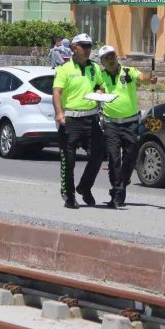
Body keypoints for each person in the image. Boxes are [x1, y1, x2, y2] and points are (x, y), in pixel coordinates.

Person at [97, 45, 157, 208]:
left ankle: (122, 182)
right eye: (107, 58)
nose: (110, 60)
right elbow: (99, 89)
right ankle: (118, 191)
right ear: (102, 62)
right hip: (111, 124)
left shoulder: (128, 72)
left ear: (116, 57)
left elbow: (142, 77)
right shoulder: (101, 75)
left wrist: (149, 79)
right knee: (114, 159)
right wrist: (99, 93)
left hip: (130, 123)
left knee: (130, 157)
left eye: (112, 56)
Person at [52, 33, 105, 209]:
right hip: (71, 120)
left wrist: (99, 91)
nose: (88, 50)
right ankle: (69, 195)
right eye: (84, 46)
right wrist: (59, 113)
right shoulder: (64, 69)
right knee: (69, 159)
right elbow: (57, 92)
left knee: (98, 155)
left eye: (90, 46)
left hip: (90, 118)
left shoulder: (94, 68)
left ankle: (84, 187)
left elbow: (100, 84)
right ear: (75, 48)